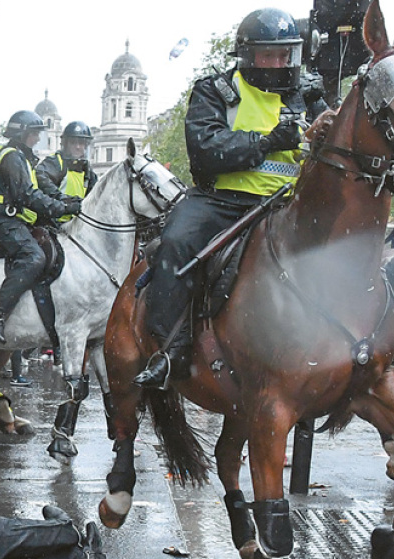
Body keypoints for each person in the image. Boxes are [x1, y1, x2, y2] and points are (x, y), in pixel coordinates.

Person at [135, 7, 311, 389]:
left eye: (286, 55)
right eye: (270, 55)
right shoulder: (214, 90)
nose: (280, 64)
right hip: (221, 203)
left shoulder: (306, 94)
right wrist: (264, 143)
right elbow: (203, 147)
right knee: (175, 243)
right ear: (248, 55)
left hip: (288, 206)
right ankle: (170, 350)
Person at [0, 110, 81, 344]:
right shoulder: (11, 157)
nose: (37, 138)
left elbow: (40, 192)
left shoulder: (24, 158)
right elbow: (26, 195)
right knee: (33, 257)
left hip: (16, 220)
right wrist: (58, 209)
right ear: (21, 134)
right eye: (34, 133)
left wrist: (63, 203)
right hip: (1, 220)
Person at [35, 120, 98, 211]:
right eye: (73, 143)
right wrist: (64, 200)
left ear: (86, 145)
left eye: (81, 143)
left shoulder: (88, 171)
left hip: (79, 221)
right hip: (54, 221)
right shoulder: (55, 162)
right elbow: (42, 179)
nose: (77, 147)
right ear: (65, 144)